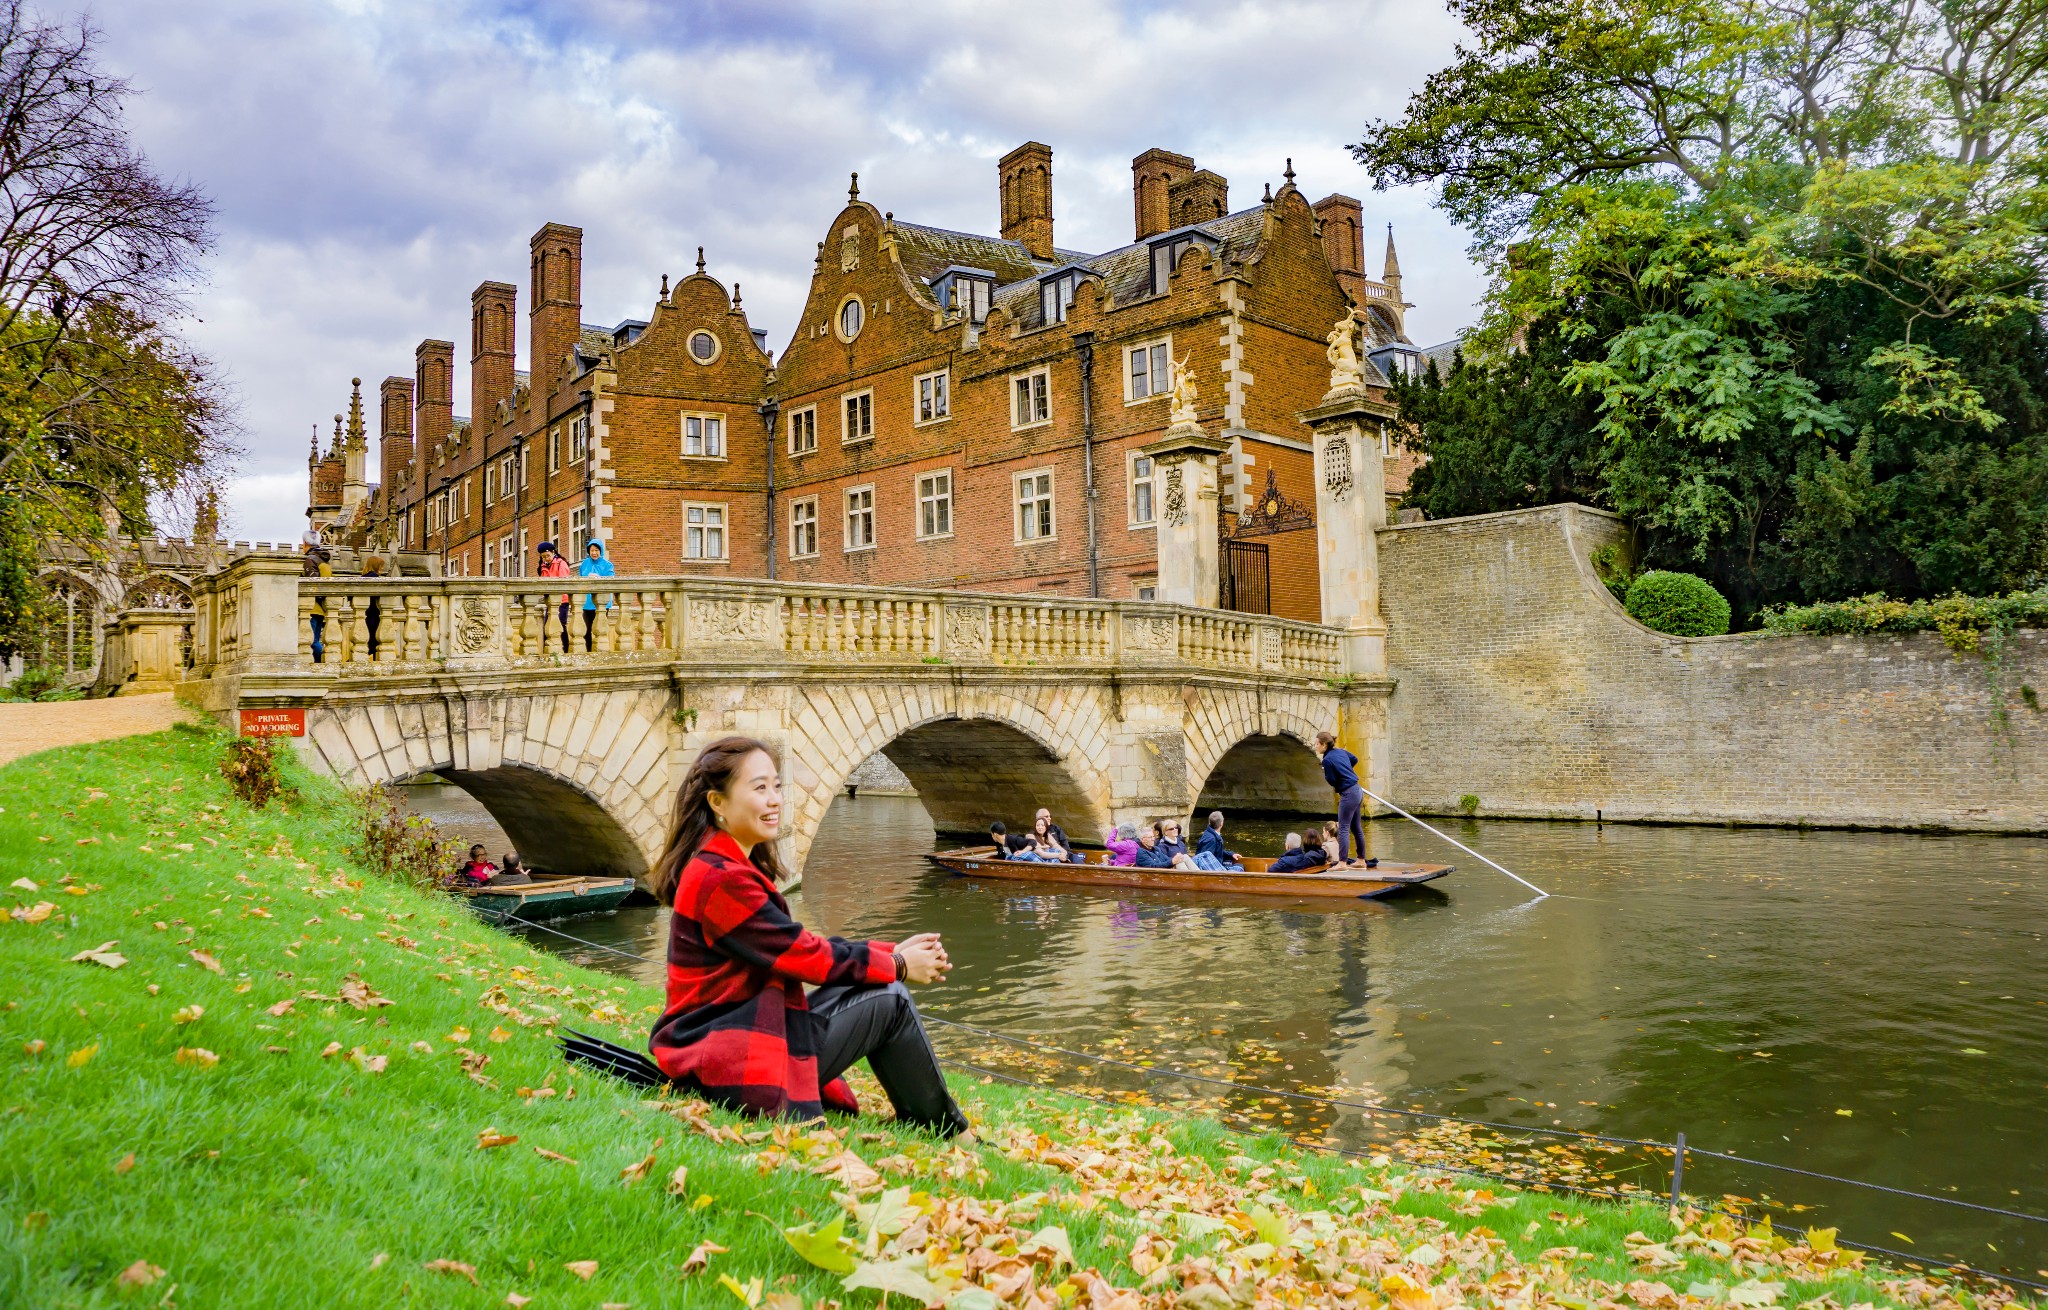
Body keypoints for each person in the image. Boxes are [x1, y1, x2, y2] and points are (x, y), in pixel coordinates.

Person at [643, 736, 967, 1133]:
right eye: (760, 788)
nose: (775, 799)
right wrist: (898, 965)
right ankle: (948, 1132)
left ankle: (933, 1121)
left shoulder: (724, 864)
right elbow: (807, 957)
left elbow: (798, 946)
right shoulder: (721, 879)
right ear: (717, 803)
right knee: (891, 999)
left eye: (777, 786)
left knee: (881, 990)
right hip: (726, 1055)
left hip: (727, 1039)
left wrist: (890, 951)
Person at [1316, 730, 1368, 864]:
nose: (1315, 746)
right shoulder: (1340, 752)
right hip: (1357, 790)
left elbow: (1332, 780)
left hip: (1348, 794)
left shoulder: (1327, 760)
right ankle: (1361, 860)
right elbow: (1354, 759)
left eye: (1317, 744)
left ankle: (1342, 862)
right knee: (1356, 828)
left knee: (1343, 828)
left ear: (1324, 745)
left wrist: (1339, 774)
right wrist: (1345, 770)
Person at [578, 538, 616, 651]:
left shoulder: (607, 565)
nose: (594, 553)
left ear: (601, 551)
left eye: (596, 550)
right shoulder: (584, 564)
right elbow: (579, 580)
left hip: (602, 603)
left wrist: (599, 578)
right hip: (586, 603)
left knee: (601, 629)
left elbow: (611, 580)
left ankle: (601, 651)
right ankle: (588, 652)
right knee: (585, 630)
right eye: (592, 550)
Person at [537, 541, 574, 651]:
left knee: (561, 625)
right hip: (551, 601)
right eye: (543, 557)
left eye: (548, 556)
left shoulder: (560, 563)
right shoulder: (543, 566)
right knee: (547, 626)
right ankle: (547, 650)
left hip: (562, 600)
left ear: (553, 552)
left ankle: (566, 649)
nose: (546, 558)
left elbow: (562, 581)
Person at [301, 535, 332, 662]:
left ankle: (322, 663)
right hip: (320, 608)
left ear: (305, 544)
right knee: (315, 640)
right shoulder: (323, 560)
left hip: (311, 607)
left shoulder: (310, 560)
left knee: (311, 641)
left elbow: (311, 585)